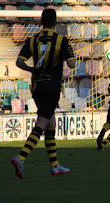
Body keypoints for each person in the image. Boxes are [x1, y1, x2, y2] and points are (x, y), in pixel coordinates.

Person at [11, 8, 76, 179]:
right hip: (52, 86)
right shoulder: (62, 40)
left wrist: (32, 69)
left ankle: (55, 166)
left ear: (41, 22)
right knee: (42, 121)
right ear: (55, 22)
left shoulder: (32, 39)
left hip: (37, 87)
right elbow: (72, 65)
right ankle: (21, 157)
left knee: (50, 123)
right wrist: (70, 53)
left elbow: (19, 62)